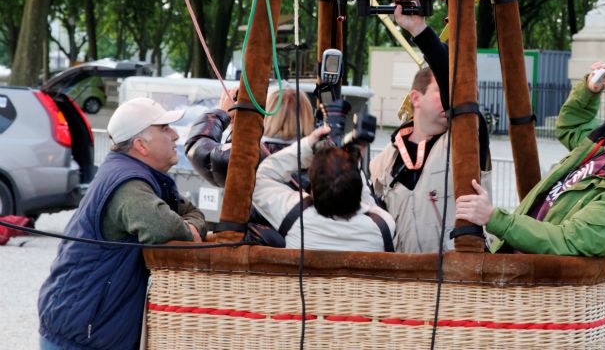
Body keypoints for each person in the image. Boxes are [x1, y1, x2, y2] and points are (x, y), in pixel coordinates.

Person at [455, 61, 605, 256]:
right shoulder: (604, 150)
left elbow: (567, 241)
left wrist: (494, 218)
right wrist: (590, 91)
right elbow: (572, 126)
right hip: (518, 264)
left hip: (537, 288)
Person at [38, 98, 207, 350]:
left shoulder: (134, 174)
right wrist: (191, 231)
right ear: (141, 145)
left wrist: (191, 225)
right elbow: (168, 229)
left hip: (83, 328)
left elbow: (191, 213)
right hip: (83, 336)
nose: (174, 135)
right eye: (164, 129)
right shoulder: (129, 185)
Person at [368, 0, 491, 253]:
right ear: (416, 98)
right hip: (402, 280)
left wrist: (419, 30)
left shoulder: (465, 139)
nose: (450, 100)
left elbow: (455, 81)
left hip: (457, 280)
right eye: (439, 93)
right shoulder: (383, 162)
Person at [252, 124, 395, 250]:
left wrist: (308, 145)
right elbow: (367, 203)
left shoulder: (296, 216)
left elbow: (261, 176)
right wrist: (353, 161)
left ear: (312, 189)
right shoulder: (383, 226)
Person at [185, 86, 314, 186]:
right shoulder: (317, 157)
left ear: (267, 116)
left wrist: (221, 115)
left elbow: (197, 149)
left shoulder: (250, 155)